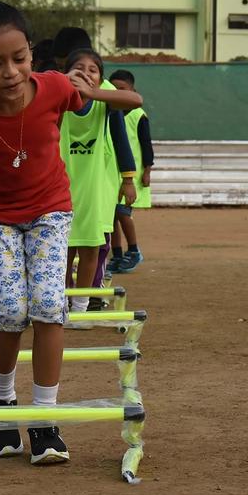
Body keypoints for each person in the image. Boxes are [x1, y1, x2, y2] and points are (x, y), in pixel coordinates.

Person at [0, 0, 107, 465]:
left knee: (50, 304)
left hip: (51, 210)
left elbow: (84, 99)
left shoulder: (52, 89)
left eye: (19, 58)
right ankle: (2, 401)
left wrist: (92, 87)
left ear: (31, 54)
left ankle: (45, 419)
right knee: (10, 309)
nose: (10, 72)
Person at [59, 48, 141, 312]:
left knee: (91, 247)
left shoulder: (105, 103)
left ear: (101, 79)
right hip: (61, 188)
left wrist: (128, 178)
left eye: (93, 70)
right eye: (79, 68)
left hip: (94, 188)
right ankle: (59, 303)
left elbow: (135, 100)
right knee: (63, 250)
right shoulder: (56, 99)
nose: (85, 73)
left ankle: (81, 306)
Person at [107, 69, 154, 273]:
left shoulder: (138, 114)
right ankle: (117, 254)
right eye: (113, 89)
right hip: (110, 173)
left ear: (132, 90)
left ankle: (134, 251)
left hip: (129, 174)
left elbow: (146, 144)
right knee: (110, 216)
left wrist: (147, 170)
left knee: (122, 212)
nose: (117, 92)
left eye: (122, 89)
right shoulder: (106, 111)